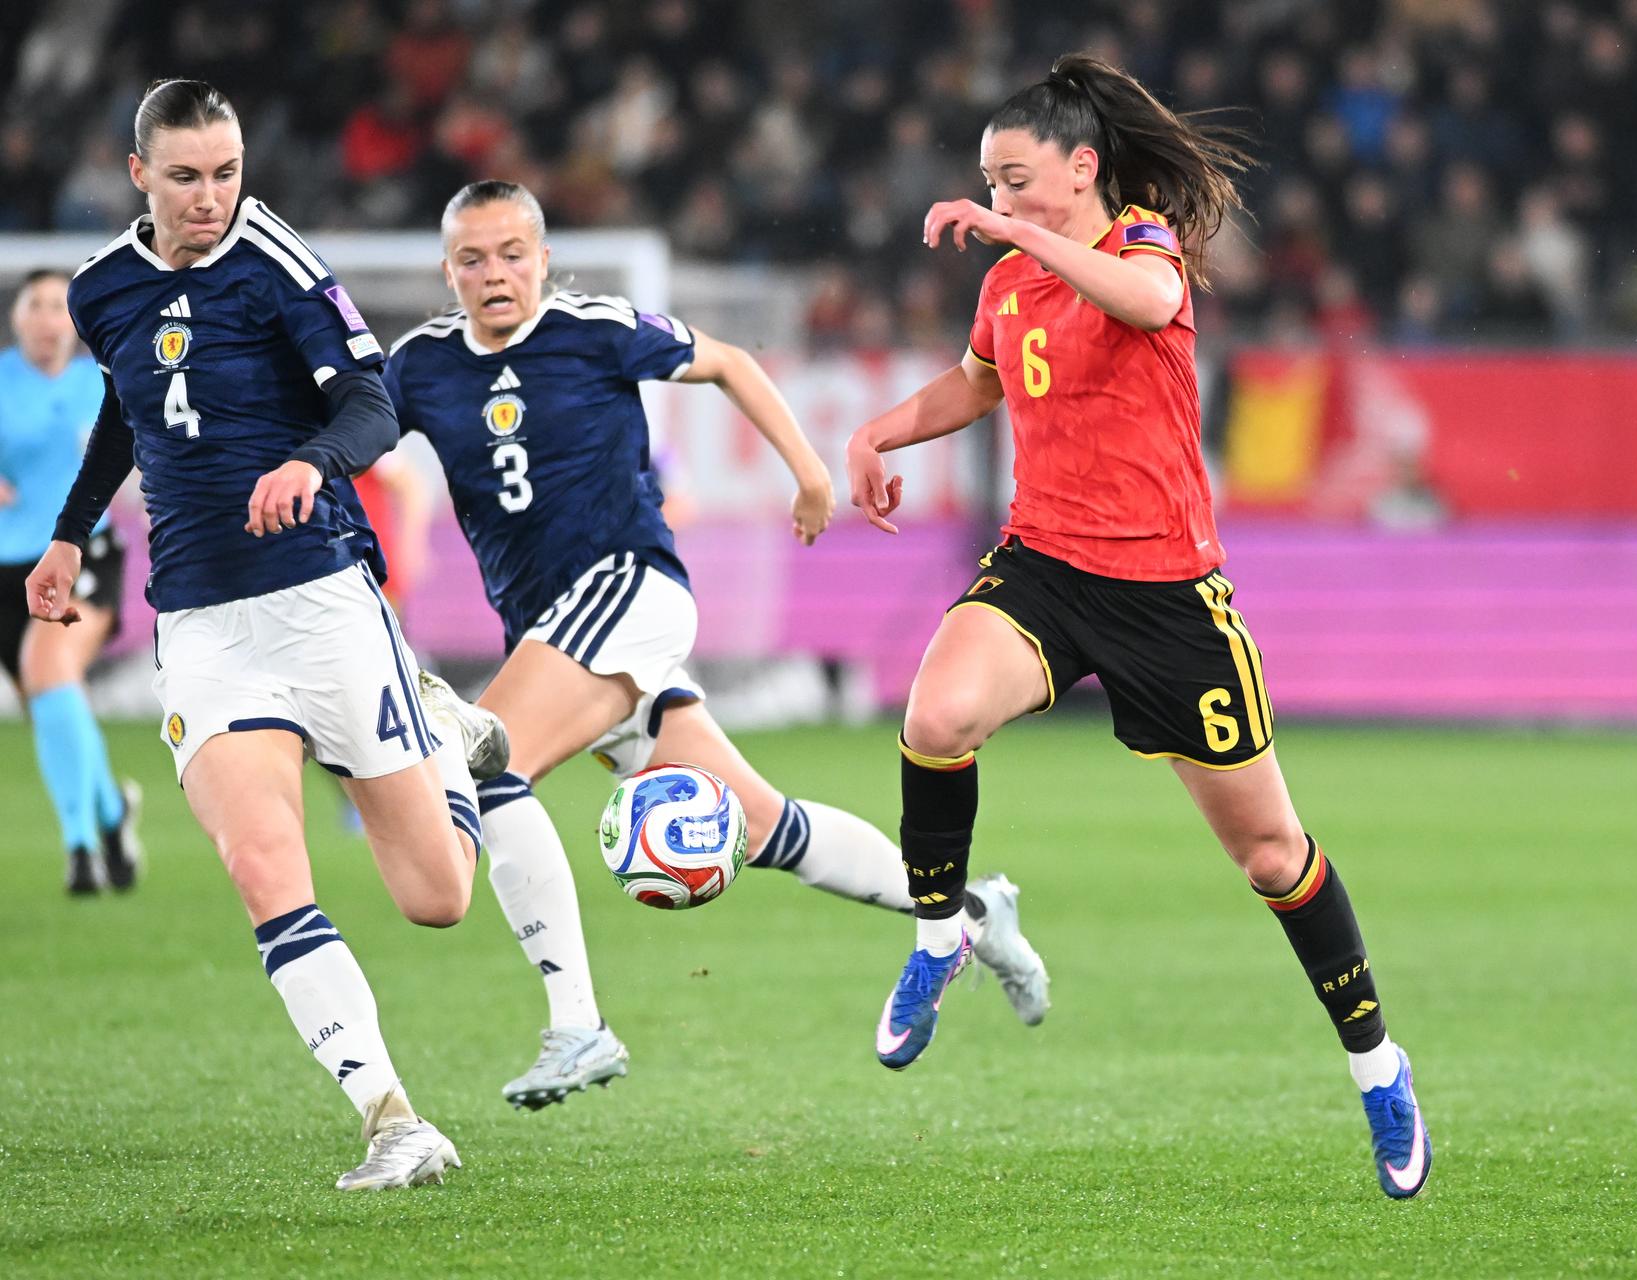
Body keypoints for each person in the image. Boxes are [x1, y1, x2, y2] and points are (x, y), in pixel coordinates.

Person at [843, 54, 1430, 1200]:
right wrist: (876, 434)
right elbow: (976, 387)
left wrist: (1012, 233)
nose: (1000, 205)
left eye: (1017, 182)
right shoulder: (1012, 284)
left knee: (1271, 854)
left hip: (1169, 597)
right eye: (989, 186)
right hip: (1045, 568)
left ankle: (1378, 1064)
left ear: (1084, 167)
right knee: (936, 711)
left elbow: (1150, 306)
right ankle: (940, 933)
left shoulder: (1144, 247)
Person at [383, 180, 1051, 1111]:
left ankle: (577, 1026)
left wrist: (810, 472)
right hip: (558, 632)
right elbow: (347, 440)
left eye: (510, 254)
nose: (494, 274)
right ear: (447, 272)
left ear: (542, 258)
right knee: (771, 827)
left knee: (490, 766)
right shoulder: (417, 367)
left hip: (625, 593)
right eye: (471, 259)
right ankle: (972, 908)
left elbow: (730, 362)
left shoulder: (594, 329)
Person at [26, 80, 511, 1191]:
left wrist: (310, 461)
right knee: (263, 869)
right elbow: (127, 409)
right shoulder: (104, 289)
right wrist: (68, 531)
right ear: (138, 172)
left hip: (321, 598)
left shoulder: (280, 267)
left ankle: (443, 740)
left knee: (436, 898)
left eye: (229, 172)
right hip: (201, 621)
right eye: (188, 176)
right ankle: (392, 1117)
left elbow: (374, 403)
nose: (212, 198)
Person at [0, 268, 142, 893]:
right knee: (50, 703)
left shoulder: (105, 383)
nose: (49, 319)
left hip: (85, 557)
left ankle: (81, 850)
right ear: (17, 318)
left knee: (50, 670)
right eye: (37, 306)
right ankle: (112, 814)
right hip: (7, 570)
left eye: (61, 307)